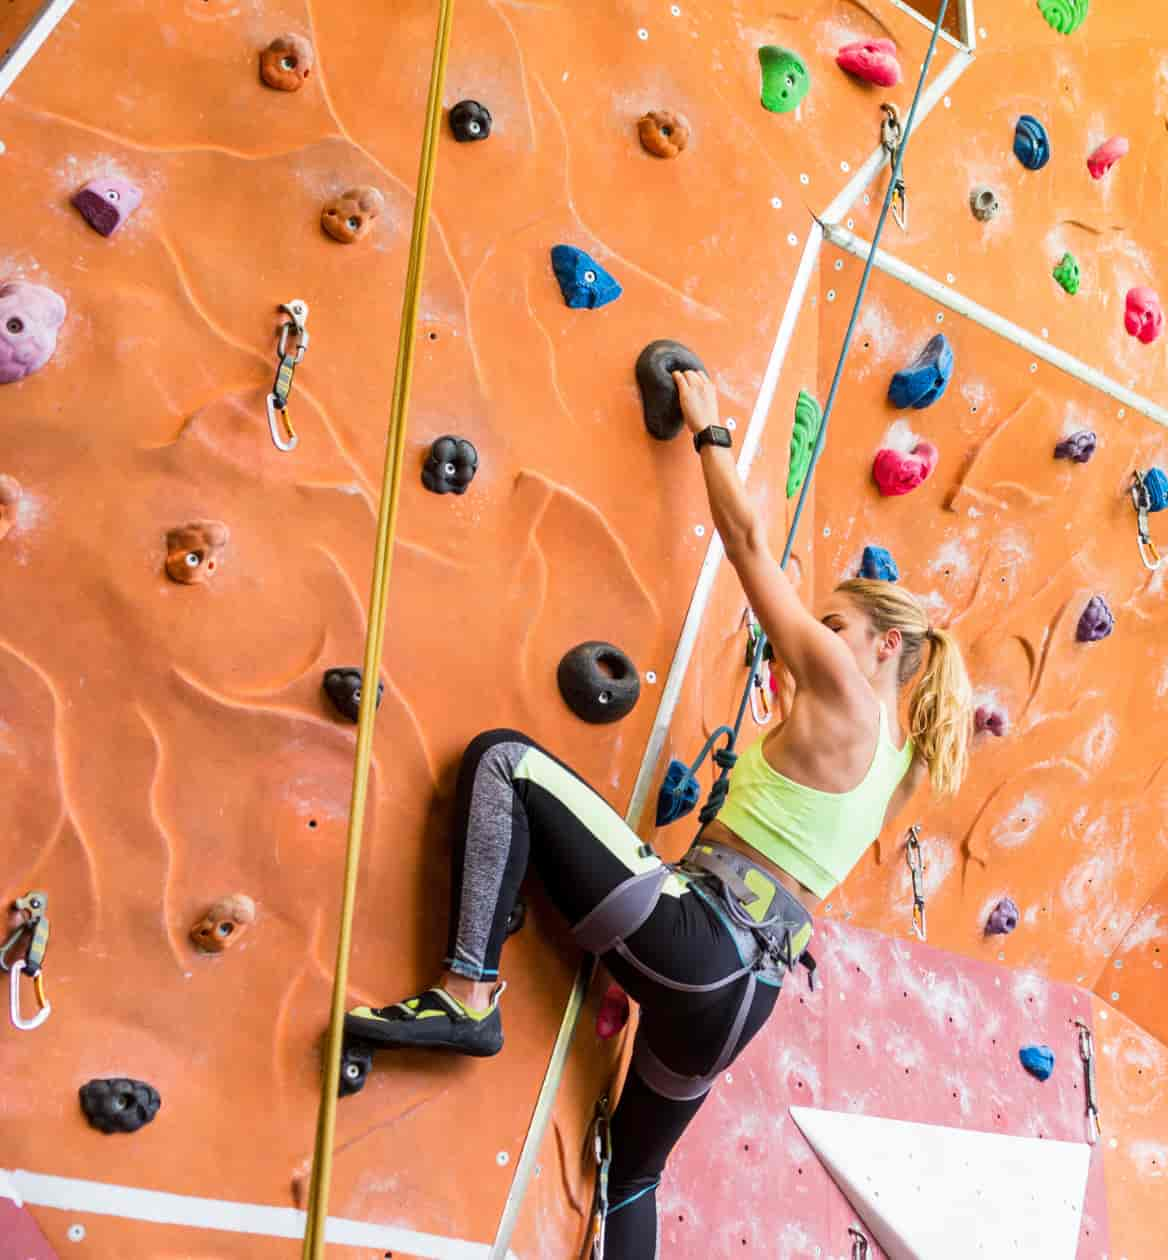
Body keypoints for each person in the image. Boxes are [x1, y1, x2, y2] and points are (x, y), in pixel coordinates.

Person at [342, 369, 971, 1257]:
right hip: (745, 1000)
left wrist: (707, 429)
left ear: (884, 646)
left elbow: (750, 545)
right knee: (635, 1175)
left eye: (835, 624)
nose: (818, 636)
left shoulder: (845, 690)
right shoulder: (901, 769)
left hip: (701, 938)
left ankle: (466, 993)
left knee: (503, 761)